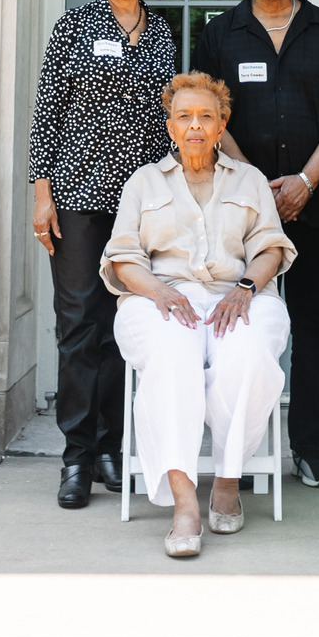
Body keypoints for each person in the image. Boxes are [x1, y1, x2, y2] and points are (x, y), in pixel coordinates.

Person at [193, 0, 319, 489]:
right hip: (240, 209)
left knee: (313, 322)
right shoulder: (220, 34)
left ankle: (308, 446)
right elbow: (211, 115)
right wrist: (257, 186)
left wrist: (305, 182)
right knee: (240, 325)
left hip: (314, 204)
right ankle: (237, 445)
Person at [103, 73, 295, 558]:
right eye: (184, 117)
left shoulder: (249, 180)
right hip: (160, 297)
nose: (195, 126)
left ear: (221, 124)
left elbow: (271, 247)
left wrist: (248, 287)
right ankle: (184, 501)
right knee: (173, 360)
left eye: (206, 117)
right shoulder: (144, 182)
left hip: (238, 294)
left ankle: (227, 480)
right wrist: (158, 293)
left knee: (249, 357)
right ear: (170, 125)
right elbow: (123, 258)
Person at [29, 0, 177, 510]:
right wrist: (43, 195)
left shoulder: (162, 35)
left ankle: (114, 447)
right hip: (79, 196)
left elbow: (169, 124)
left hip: (140, 203)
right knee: (80, 325)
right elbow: (47, 116)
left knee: (129, 327)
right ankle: (77, 456)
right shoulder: (74, 28)